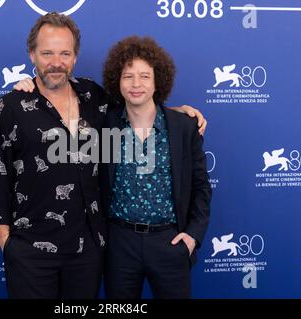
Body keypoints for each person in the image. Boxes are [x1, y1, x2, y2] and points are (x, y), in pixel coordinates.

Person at [0, 12, 207, 299]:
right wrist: (7, 243)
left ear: (75, 57)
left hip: (87, 251)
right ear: (32, 55)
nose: (56, 62)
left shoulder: (93, 97)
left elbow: (137, 104)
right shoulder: (11, 107)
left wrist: (179, 112)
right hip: (30, 251)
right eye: (47, 53)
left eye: (65, 53)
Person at [99, 36, 212, 299]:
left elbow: (201, 188)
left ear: (157, 80)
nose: (136, 84)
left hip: (169, 243)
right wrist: (29, 84)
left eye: (144, 76)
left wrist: (192, 236)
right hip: (119, 244)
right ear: (117, 81)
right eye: (128, 76)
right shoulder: (105, 125)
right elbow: (62, 96)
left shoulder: (183, 127)